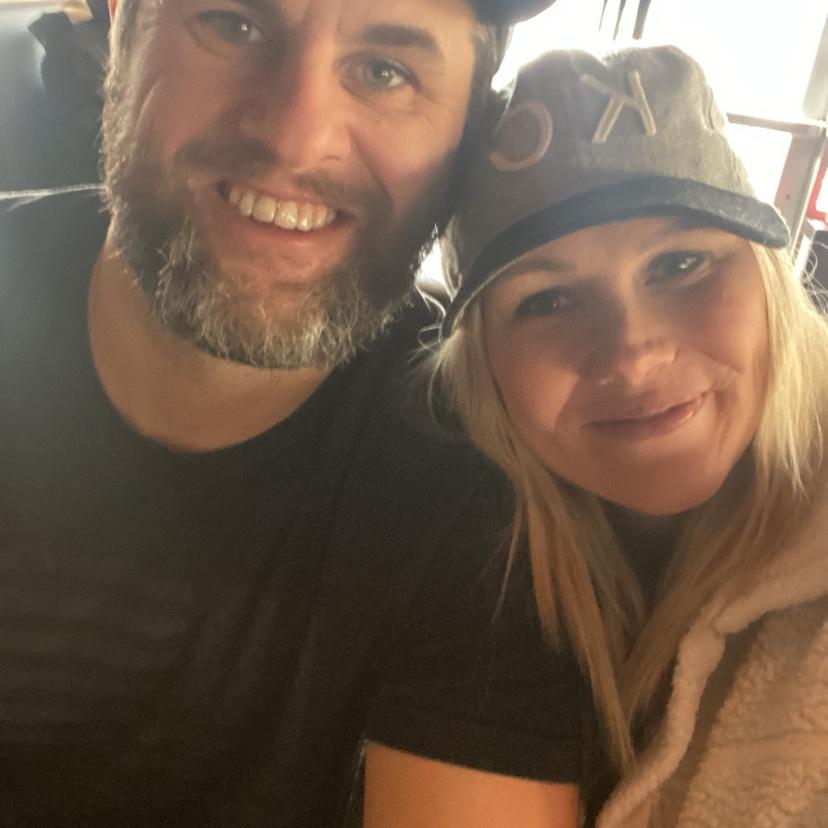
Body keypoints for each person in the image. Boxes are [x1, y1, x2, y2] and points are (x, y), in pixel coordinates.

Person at [0, 1, 597, 825]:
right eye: (233, 25)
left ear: (468, 130)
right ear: (120, 26)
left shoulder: (490, 494)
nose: (293, 137)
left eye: (385, 71)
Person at [433, 46, 828, 826]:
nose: (633, 353)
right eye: (547, 300)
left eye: (680, 263)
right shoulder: (432, 541)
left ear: (769, 282)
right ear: (482, 365)